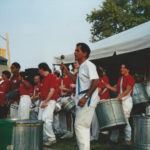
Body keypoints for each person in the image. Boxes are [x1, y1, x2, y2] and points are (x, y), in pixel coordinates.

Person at [62, 43, 99, 150]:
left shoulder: (89, 65)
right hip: (81, 99)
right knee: (83, 127)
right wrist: (66, 70)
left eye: (77, 50)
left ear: (85, 53)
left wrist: (86, 97)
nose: (75, 52)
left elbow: (96, 81)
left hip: (86, 99)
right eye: (75, 50)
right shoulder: (82, 66)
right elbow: (76, 81)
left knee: (80, 126)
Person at [104, 64, 135, 145]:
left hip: (127, 101)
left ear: (128, 70)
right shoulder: (120, 79)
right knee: (116, 120)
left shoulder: (130, 78)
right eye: (121, 67)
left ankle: (128, 139)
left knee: (125, 120)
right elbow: (117, 90)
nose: (121, 69)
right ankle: (113, 139)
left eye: (123, 67)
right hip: (120, 100)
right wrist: (108, 86)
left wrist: (118, 98)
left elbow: (127, 91)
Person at [38, 63, 58, 146]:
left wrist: (45, 102)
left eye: (39, 69)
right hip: (44, 101)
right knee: (40, 120)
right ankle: (45, 138)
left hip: (50, 101)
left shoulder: (52, 76)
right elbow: (43, 92)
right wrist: (41, 101)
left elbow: (52, 91)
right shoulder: (43, 79)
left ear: (42, 69)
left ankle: (52, 138)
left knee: (46, 119)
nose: (38, 71)